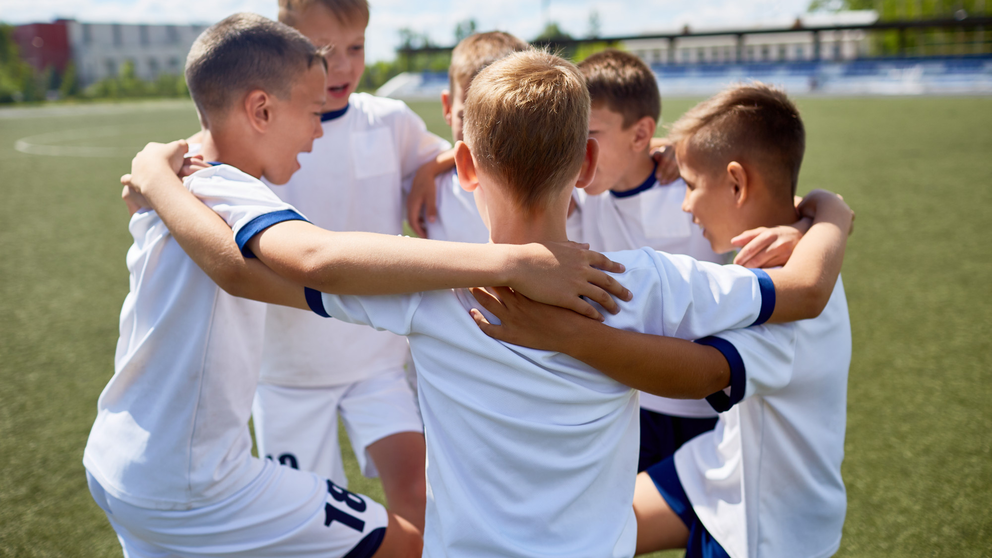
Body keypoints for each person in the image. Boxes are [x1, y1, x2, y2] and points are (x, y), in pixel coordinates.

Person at [124, 52, 852, 558]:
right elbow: (804, 292)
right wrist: (826, 212)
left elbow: (239, 270)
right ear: (587, 164)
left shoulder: (421, 290)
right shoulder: (649, 283)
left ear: (465, 167)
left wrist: (163, 181)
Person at [88, 16, 629, 558]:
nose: (320, 129)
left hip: (123, 459)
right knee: (407, 546)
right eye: (313, 112)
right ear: (261, 111)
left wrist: (154, 174)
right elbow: (312, 258)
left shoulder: (180, 180)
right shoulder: (219, 185)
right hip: (195, 484)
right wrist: (511, 264)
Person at [471, 83, 853, 558]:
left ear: (736, 184)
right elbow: (818, 206)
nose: (685, 203)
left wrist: (566, 334)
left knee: (573, 531)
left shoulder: (789, 290)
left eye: (690, 185)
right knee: (573, 528)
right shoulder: (800, 251)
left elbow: (704, 373)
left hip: (765, 523)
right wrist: (825, 208)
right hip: (718, 465)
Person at [250, 0, 451, 532]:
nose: (342, 65)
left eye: (356, 47)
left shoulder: (390, 120)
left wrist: (434, 165)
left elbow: (453, 157)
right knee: (302, 522)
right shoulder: (262, 128)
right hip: (287, 372)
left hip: (376, 359)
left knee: (419, 492)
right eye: (324, 51)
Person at [570, 49, 812, 472]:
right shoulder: (576, 192)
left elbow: (769, 201)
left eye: (589, 133)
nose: (578, 149)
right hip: (622, 402)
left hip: (708, 406)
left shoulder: (692, 188)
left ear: (641, 135)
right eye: (570, 133)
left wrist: (810, 221)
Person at [422, 31, 530, 244]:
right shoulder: (433, 186)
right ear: (447, 107)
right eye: (467, 117)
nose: (482, 136)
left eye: (501, 121)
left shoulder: (554, 184)